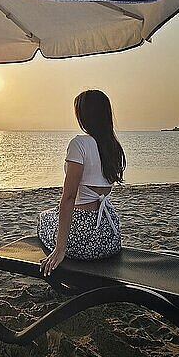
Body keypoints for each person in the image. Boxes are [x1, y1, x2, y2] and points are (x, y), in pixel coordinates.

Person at [38, 89, 125, 276]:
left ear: (84, 116)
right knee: (51, 214)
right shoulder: (113, 147)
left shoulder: (79, 144)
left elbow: (68, 197)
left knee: (43, 218)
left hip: (84, 241)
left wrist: (60, 249)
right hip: (109, 237)